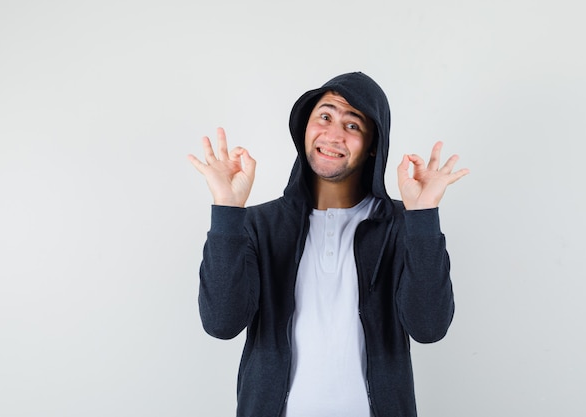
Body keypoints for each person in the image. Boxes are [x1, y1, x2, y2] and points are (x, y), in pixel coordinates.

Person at [187, 72, 469, 417]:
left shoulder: (401, 225)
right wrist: (228, 211)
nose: (333, 135)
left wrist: (422, 216)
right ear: (305, 127)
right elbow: (221, 322)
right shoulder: (259, 225)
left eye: (353, 126)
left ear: (373, 146)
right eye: (325, 116)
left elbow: (429, 327)